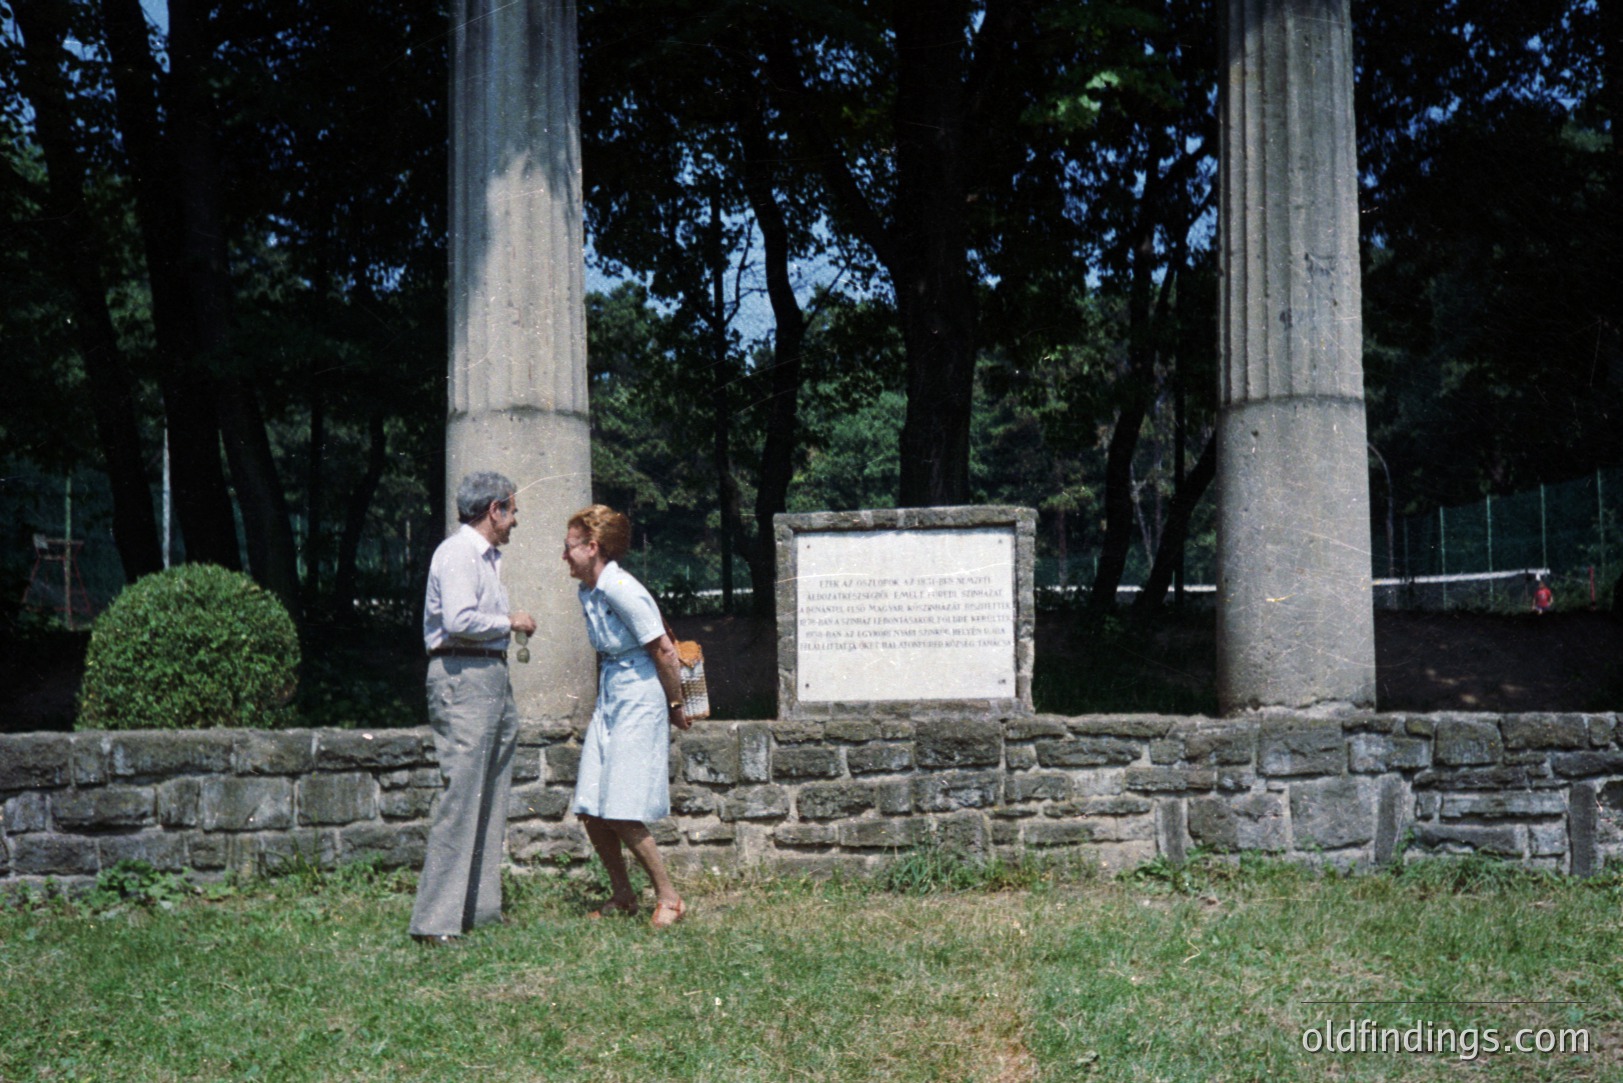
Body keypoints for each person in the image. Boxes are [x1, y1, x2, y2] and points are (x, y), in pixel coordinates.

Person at [409, 471, 537, 946]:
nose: (515, 520)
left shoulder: (486, 559)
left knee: (491, 793)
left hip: (489, 674)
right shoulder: (458, 553)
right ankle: (434, 922)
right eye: (513, 510)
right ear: (494, 510)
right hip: (461, 677)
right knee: (462, 795)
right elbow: (459, 619)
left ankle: (478, 909)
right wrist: (510, 620)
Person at [564, 504, 692, 929]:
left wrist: (676, 705)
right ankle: (623, 894)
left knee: (620, 807)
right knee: (591, 806)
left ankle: (670, 898)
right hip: (612, 694)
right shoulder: (590, 590)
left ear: (593, 547)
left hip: (639, 694)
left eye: (570, 548)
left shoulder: (620, 587)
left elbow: (664, 651)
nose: (564, 556)